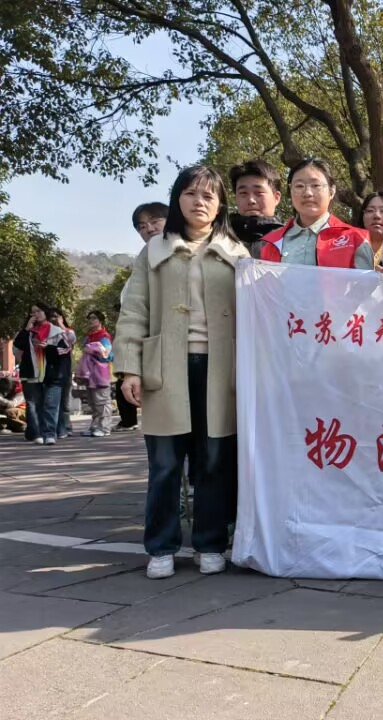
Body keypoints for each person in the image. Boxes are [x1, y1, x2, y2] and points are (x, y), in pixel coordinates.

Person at [114, 165, 249, 579]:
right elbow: (134, 311)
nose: (199, 202)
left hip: (220, 367)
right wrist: (129, 369)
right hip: (165, 366)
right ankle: (161, 546)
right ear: (177, 199)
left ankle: (210, 543)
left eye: (209, 195)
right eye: (190, 193)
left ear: (220, 204)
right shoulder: (154, 250)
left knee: (214, 462)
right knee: (165, 464)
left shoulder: (238, 253)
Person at [260, 158, 373, 268]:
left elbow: (365, 280)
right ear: (290, 191)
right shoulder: (271, 243)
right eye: (299, 186)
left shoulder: (356, 239)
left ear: (332, 191)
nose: (307, 193)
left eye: (316, 185)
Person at [116, 202, 169, 432]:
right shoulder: (141, 267)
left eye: (155, 221)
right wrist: (130, 369)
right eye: (142, 226)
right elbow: (132, 318)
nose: (148, 228)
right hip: (158, 360)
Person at [12, 304, 68, 445]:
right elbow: (17, 346)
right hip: (31, 372)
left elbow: (64, 351)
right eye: (33, 312)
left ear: (45, 312)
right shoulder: (27, 332)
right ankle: (37, 433)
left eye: (38, 311)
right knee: (33, 404)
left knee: (50, 404)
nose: (36, 314)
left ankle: (50, 434)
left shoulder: (56, 331)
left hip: (51, 372)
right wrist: (27, 329)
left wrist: (48, 347)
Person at [228, 159, 284, 259]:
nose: (251, 200)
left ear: (276, 198)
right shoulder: (221, 238)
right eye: (243, 193)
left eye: (259, 193)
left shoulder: (289, 239)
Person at [76, 310, 114, 438]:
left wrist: (93, 349)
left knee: (102, 401)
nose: (91, 320)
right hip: (90, 373)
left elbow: (107, 355)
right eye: (90, 318)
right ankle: (95, 427)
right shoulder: (90, 336)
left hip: (101, 373)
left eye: (94, 318)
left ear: (100, 320)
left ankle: (104, 428)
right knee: (92, 401)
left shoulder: (104, 336)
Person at [48, 308, 76, 439]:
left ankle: (67, 427)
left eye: (57, 316)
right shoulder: (48, 332)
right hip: (51, 371)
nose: (54, 319)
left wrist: (61, 325)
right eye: (51, 316)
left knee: (65, 402)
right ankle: (58, 428)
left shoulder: (68, 331)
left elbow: (72, 339)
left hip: (65, 371)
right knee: (54, 403)